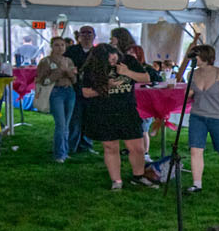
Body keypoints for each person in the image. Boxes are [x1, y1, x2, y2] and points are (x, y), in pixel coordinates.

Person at [79, 43, 156, 189]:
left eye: (114, 58)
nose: (113, 62)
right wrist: (107, 87)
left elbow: (146, 78)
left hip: (127, 110)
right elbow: (86, 92)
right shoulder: (92, 68)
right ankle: (116, 181)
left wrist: (127, 73)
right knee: (110, 147)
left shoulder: (128, 61)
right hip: (104, 112)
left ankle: (138, 176)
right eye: (109, 60)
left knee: (137, 148)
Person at [181, 44, 219, 191]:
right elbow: (190, 94)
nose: (194, 59)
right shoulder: (192, 74)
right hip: (197, 116)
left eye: (196, 55)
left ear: (206, 56)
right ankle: (196, 183)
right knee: (195, 149)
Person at [37, 37, 79, 163]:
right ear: (52, 46)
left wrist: (69, 72)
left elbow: (75, 80)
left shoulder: (68, 60)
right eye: (56, 45)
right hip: (56, 92)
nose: (60, 48)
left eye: (62, 45)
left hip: (69, 91)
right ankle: (59, 154)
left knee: (66, 123)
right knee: (60, 124)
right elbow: (42, 80)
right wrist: (58, 72)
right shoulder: (46, 61)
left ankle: (64, 151)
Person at [64, 26, 96, 157]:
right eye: (84, 33)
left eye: (89, 33)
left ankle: (87, 145)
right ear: (79, 36)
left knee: (90, 120)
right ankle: (72, 146)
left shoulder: (98, 52)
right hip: (75, 89)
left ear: (94, 36)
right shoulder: (71, 51)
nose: (87, 35)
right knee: (74, 119)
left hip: (92, 90)